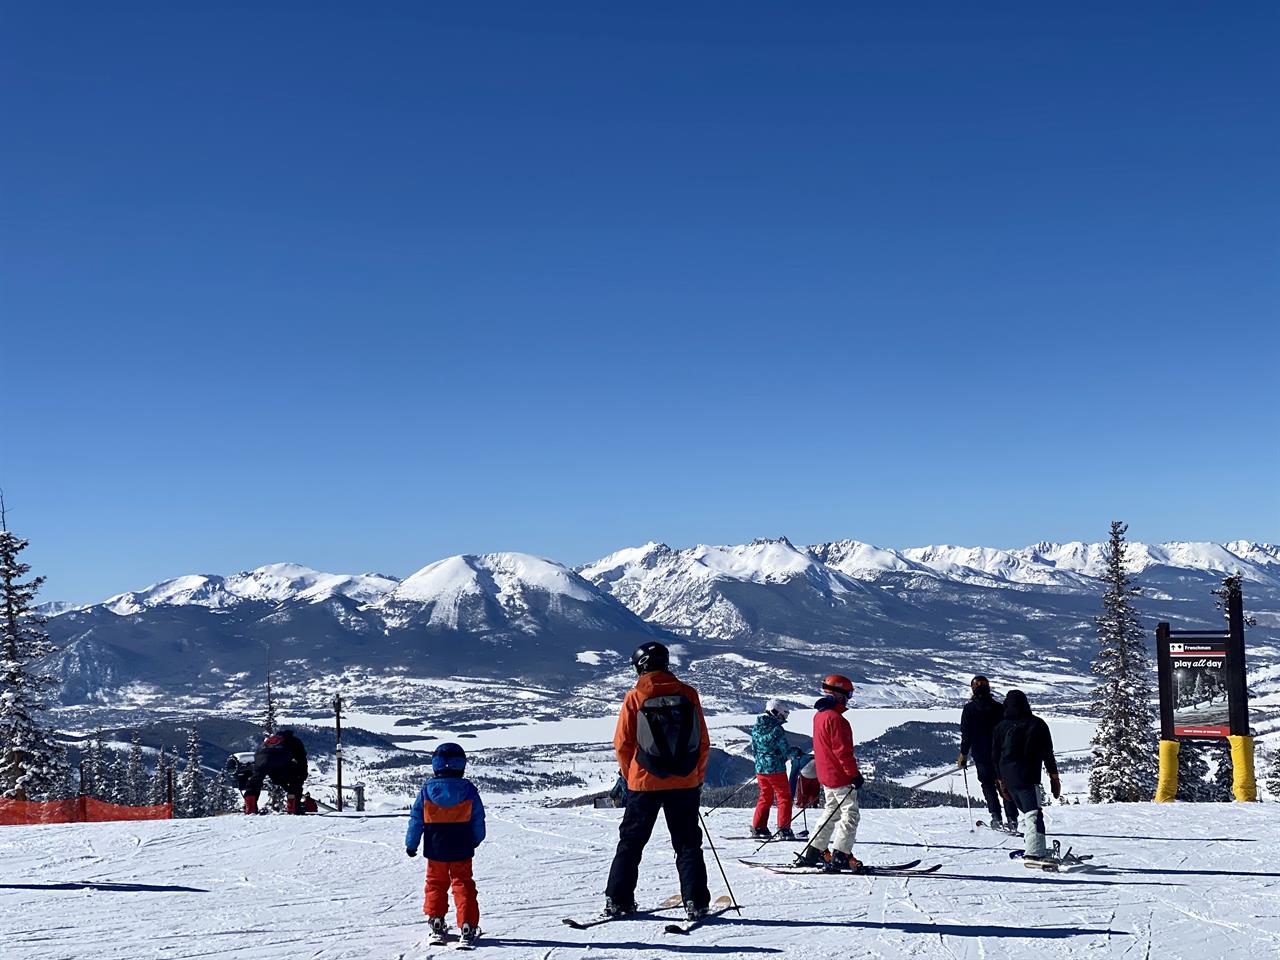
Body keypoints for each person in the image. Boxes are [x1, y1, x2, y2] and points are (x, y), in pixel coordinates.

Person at [605, 641, 711, 922]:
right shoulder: (688, 694)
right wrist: (696, 776)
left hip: (644, 783)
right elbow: (702, 741)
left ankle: (618, 899)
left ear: (640, 667)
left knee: (631, 842)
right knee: (688, 844)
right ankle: (696, 902)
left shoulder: (634, 697)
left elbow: (623, 744)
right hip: (685, 782)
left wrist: (631, 778)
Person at [406, 742, 487, 947]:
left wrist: (412, 843)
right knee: (463, 884)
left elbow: (416, 819)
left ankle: (436, 921)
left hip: (435, 847)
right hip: (461, 845)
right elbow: (478, 817)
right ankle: (467, 925)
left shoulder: (427, 789)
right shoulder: (468, 789)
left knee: (435, 884)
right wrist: (476, 839)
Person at [796, 675, 864, 872]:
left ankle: (814, 850)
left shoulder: (819, 716)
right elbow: (843, 752)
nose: (849, 699)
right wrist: (854, 774)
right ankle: (841, 854)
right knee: (850, 814)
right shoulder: (837, 720)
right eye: (848, 694)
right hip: (840, 777)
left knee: (831, 812)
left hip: (825, 775)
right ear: (839, 694)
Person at [991, 690, 1061, 861]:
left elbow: (994, 756)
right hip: (1028, 776)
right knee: (1033, 814)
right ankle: (1035, 852)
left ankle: (1033, 844)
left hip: (1008, 777)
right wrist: (1054, 777)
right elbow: (1048, 753)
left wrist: (1000, 781)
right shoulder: (1038, 724)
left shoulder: (1001, 726)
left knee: (1028, 813)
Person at [958, 675, 1019, 830]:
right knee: (1004, 785)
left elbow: (966, 735)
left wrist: (963, 754)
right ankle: (1012, 819)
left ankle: (996, 818)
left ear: (973, 689)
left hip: (981, 755)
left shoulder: (969, 709)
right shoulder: (999, 708)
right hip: (1001, 755)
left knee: (988, 785)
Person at [749, 699, 801, 839]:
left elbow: (754, 748)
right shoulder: (777, 729)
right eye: (784, 714)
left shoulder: (756, 727)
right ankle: (784, 829)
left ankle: (758, 827)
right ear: (776, 712)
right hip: (776, 769)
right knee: (784, 797)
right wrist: (796, 752)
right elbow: (785, 751)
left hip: (760, 769)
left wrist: (762, 762)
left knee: (765, 796)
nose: (784, 718)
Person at [243, 729, 308, 815]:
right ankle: (293, 807)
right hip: (279, 761)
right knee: (295, 780)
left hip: (260, 761)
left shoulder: (269, 741)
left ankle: (250, 807)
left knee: (254, 783)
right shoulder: (294, 741)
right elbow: (301, 759)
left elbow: (260, 755)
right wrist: (302, 775)